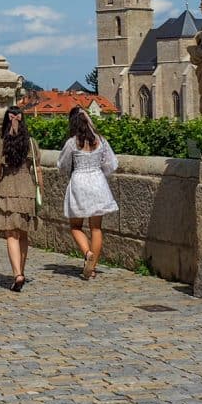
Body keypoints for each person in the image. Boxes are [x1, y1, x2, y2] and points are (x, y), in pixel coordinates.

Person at [57, 107, 119, 280]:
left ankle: (87, 253)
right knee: (96, 228)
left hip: (79, 182)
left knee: (76, 226)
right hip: (98, 182)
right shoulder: (100, 140)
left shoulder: (72, 142)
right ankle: (92, 269)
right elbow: (111, 164)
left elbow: (62, 164)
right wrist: (98, 173)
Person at [0, 107, 42, 292]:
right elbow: (38, 169)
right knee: (23, 234)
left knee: (11, 234)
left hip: (7, 190)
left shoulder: (2, 143)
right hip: (27, 190)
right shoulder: (31, 143)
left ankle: (17, 273)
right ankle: (22, 272)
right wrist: (40, 189)